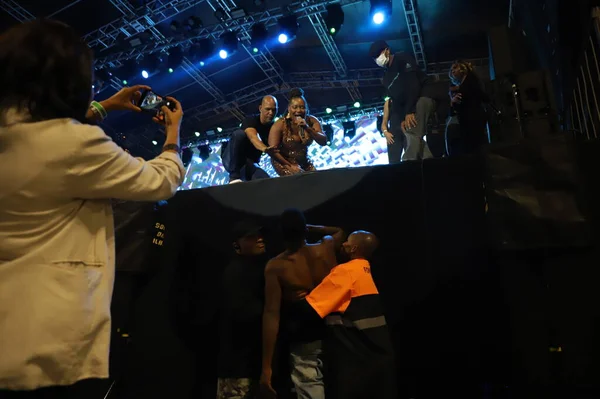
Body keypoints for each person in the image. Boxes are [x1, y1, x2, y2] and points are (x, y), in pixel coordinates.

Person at [0, 19, 185, 396]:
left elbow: (42, 135)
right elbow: (159, 181)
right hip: (50, 338)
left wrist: (104, 107)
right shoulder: (76, 145)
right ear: (70, 80)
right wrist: (173, 135)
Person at [298, 231, 397, 399]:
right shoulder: (365, 270)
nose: (342, 244)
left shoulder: (346, 272)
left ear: (354, 248)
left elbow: (309, 309)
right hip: (379, 362)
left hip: (358, 366)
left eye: (347, 242)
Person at [261, 209, 344, 399]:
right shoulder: (326, 247)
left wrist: (266, 367)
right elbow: (339, 231)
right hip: (336, 328)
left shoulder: (277, 266)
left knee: (310, 384)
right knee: (339, 383)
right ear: (305, 229)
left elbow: (271, 314)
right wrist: (312, 228)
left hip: (305, 332)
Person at [217, 220, 269, 399]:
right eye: (251, 237)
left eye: (259, 235)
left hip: (249, 363)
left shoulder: (256, 268)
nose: (260, 239)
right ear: (236, 245)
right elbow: (243, 314)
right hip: (238, 364)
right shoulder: (235, 272)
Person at [369, 40, 437, 161]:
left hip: (423, 97)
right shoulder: (386, 79)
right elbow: (396, 101)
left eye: (378, 55)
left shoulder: (402, 58)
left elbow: (413, 85)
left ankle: (408, 161)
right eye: (374, 59)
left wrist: (409, 112)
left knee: (412, 128)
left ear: (387, 51)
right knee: (407, 132)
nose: (377, 60)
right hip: (407, 108)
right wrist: (401, 119)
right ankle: (428, 161)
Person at [268, 88, 328, 176]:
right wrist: (289, 166)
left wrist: (307, 128)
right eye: (295, 107)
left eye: (302, 107)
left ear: (306, 109)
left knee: (316, 180)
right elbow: (272, 151)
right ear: (289, 109)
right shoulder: (280, 124)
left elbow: (324, 141)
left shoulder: (311, 121)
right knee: (297, 182)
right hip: (283, 161)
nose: (298, 110)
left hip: (303, 160)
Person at [222, 96, 279, 184]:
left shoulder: (274, 128)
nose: (271, 113)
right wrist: (264, 148)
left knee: (268, 182)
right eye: (268, 109)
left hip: (249, 164)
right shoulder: (250, 121)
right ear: (260, 108)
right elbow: (253, 137)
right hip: (232, 160)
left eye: (274, 110)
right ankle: (233, 177)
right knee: (239, 134)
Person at [447, 61, 490, 156]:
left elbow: (454, 111)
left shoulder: (469, 84)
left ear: (463, 68)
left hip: (471, 122)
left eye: (455, 68)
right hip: (471, 121)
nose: (453, 71)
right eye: (452, 69)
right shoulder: (469, 84)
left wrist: (453, 102)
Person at [380, 98, 407, 164]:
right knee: (393, 162)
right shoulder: (388, 102)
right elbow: (384, 123)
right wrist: (386, 132)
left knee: (412, 159)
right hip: (393, 135)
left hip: (407, 131)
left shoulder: (408, 97)